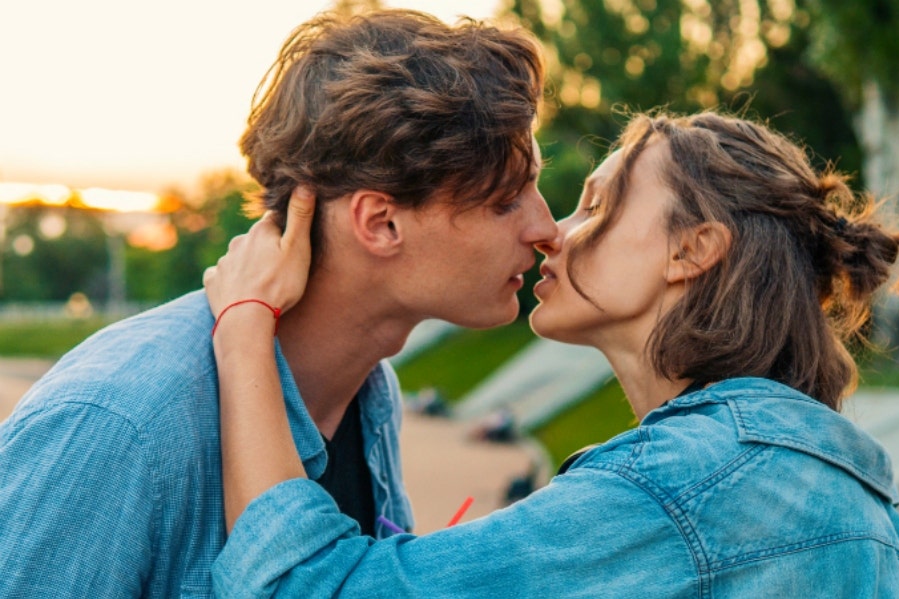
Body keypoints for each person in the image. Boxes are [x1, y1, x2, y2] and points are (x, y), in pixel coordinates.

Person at [205, 112, 899, 597]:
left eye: (596, 203)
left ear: (692, 250)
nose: (554, 232)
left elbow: (297, 588)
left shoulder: (685, 486)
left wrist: (244, 327)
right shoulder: (860, 509)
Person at [0, 10, 551, 597]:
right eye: (506, 202)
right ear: (382, 223)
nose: (547, 228)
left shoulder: (372, 393)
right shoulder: (121, 424)